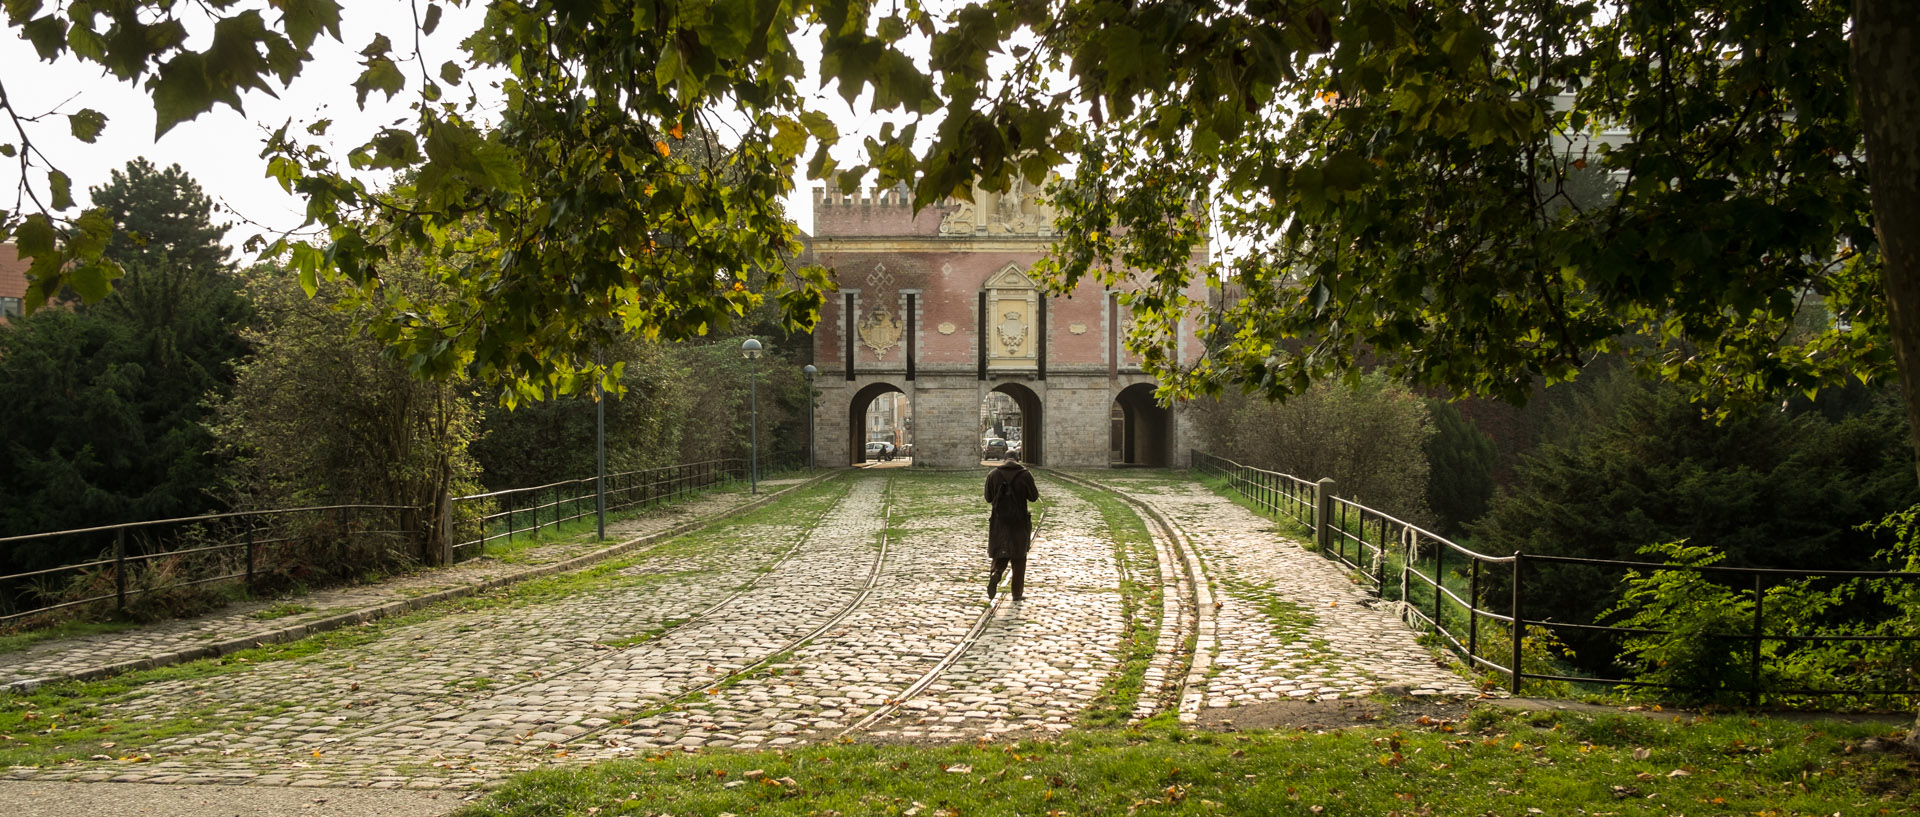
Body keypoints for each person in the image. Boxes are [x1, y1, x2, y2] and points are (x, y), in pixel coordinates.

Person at [984, 451, 1039, 601]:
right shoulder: (1025, 475)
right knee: (1019, 556)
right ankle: (1017, 593)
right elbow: (1034, 497)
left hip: (999, 520)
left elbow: (988, 498)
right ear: (1017, 459)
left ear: (1004, 459)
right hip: (1019, 521)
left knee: (1000, 552)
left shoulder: (993, 474)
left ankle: (996, 572)